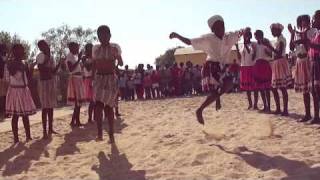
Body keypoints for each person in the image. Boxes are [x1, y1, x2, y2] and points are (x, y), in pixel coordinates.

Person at [170, 15, 244, 124]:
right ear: (212, 30)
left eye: (222, 26)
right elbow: (189, 42)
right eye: (218, 27)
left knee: (228, 85)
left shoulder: (229, 37)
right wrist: (177, 36)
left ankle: (216, 99)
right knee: (218, 89)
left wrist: (245, 30)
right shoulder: (208, 39)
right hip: (211, 66)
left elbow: (239, 33)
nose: (221, 29)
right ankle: (200, 110)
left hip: (222, 67)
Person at [92, 25, 123, 143]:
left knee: (109, 107)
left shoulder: (114, 48)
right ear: (98, 37)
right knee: (98, 105)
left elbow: (120, 63)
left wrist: (117, 56)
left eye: (105, 35)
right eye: (100, 36)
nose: (103, 38)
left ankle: (111, 132)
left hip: (110, 79)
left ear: (110, 36)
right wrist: (92, 79)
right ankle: (100, 132)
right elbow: (95, 64)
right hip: (99, 79)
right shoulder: (96, 49)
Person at [5, 44, 36, 144]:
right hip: (15, 90)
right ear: (15, 52)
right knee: (15, 115)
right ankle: (16, 138)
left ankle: (28, 135)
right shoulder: (10, 64)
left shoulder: (23, 63)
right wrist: (23, 67)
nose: (22, 52)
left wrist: (30, 68)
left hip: (23, 90)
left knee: (25, 115)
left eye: (22, 50)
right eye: (20, 50)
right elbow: (15, 75)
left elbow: (28, 76)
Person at [288, 15, 315, 122]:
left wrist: (300, 39)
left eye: (305, 21)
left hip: (308, 60)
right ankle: (307, 114)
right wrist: (292, 34)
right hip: (300, 61)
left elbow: (310, 44)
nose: (303, 23)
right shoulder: (297, 33)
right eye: (301, 21)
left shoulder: (312, 31)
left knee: (313, 89)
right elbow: (291, 47)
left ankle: (315, 115)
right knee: (305, 90)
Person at [263, 23, 291, 116]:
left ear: (278, 30)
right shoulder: (278, 40)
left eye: (273, 30)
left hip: (280, 63)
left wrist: (269, 46)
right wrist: (268, 48)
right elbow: (274, 53)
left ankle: (285, 110)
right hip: (276, 63)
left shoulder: (282, 39)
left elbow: (279, 53)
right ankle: (279, 108)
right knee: (274, 87)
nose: (271, 32)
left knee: (282, 87)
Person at [36, 40, 61, 139]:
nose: (46, 47)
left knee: (50, 107)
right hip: (44, 83)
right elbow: (41, 68)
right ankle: (44, 130)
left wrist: (59, 63)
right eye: (43, 46)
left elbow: (53, 71)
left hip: (51, 82)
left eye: (46, 45)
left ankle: (50, 128)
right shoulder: (40, 56)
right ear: (40, 48)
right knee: (45, 108)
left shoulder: (52, 57)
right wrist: (47, 58)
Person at [302, 10, 320, 124]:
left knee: (318, 91)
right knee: (314, 91)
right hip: (313, 62)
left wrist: (309, 43)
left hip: (318, 62)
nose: (313, 20)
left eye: (315, 18)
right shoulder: (316, 33)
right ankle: (316, 117)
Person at [235, 28, 259, 110]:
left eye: (247, 35)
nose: (245, 36)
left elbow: (251, 54)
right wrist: (237, 48)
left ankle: (255, 104)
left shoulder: (253, 44)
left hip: (251, 66)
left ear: (250, 36)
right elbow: (239, 57)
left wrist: (245, 45)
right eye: (244, 35)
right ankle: (250, 104)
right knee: (247, 88)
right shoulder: (241, 45)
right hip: (244, 67)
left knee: (255, 87)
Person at [66, 42, 85, 127]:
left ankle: (73, 121)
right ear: (71, 48)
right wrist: (79, 59)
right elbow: (71, 69)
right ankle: (76, 121)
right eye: (76, 48)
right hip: (74, 80)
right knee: (77, 102)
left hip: (78, 79)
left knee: (78, 103)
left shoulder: (75, 56)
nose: (78, 49)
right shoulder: (70, 56)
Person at [253, 30, 272, 112]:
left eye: (256, 35)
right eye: (255, 36)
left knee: (267, 87)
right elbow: (253, 57)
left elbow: (270, 54)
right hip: (258, 65)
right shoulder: (255, 45)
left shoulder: (266, 42)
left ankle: (269, 106)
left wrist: (266, 49)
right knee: (260, 87)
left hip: (264, 64)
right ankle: (265, 105)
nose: (256, 37)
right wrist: (253, 51)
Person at [82, 43, 95, 123]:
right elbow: (88, 68)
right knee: (91, 101)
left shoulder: (94, 57)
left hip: (94, 79)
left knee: (95, 101)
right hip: (88, 79)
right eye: (89, 48)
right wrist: (93, 63)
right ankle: (90, 118)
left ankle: (94, 117)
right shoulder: (84, 58)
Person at [0, 44, 8, 120]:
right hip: (2, 78)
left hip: (6, 78)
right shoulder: (2, 58)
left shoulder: (5, 57)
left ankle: (6, 111)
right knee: (3, 96)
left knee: (5, 95)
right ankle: (3, 111)